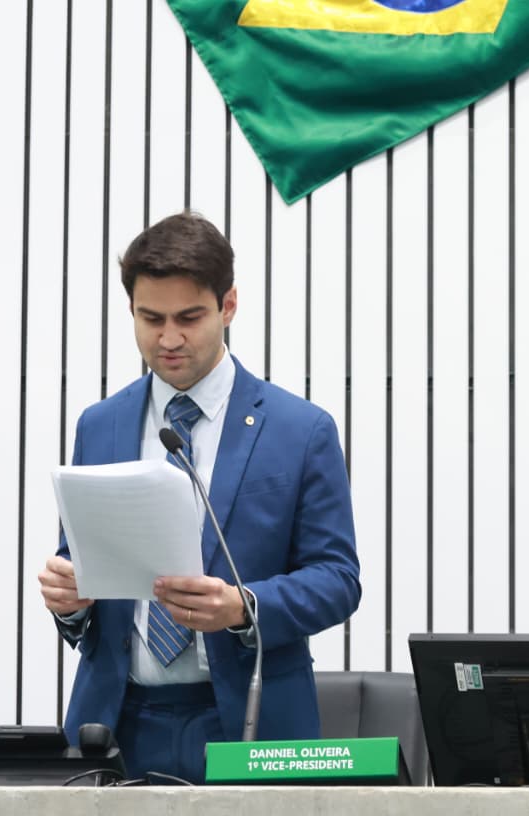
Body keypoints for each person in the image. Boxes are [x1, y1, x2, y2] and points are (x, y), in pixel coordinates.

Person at [37, 211, 361, 782]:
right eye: (150, 318)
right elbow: (82, 563)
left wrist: (244, 606)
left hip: (249, 720)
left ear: (227, 305)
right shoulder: (100, 425)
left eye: (189, 318)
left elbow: (338, 579)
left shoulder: (300, 430)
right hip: (118, 721)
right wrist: (70, 600)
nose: (168, 339)